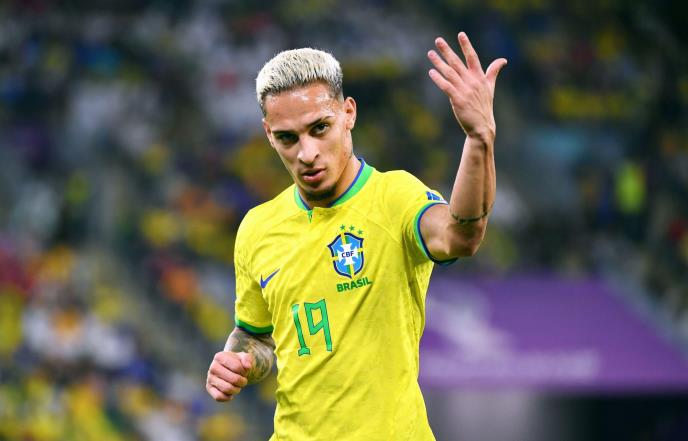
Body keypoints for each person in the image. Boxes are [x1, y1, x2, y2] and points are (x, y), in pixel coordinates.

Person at [206, 32, 506, 440]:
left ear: (348, 113)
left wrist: (479, 138)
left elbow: (461, 236)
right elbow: (255, 335)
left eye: (320, 128)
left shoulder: (395, 198)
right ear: (268, 134)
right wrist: (237, 361)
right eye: (288, 138)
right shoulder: (257, 228)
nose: (307, 153)